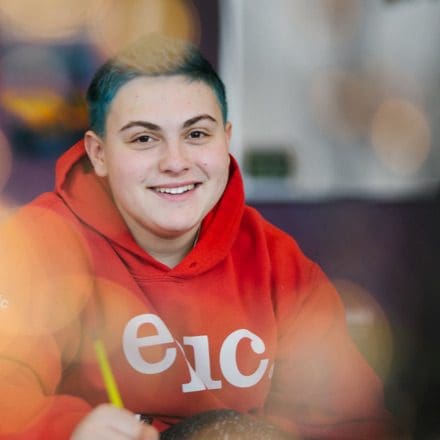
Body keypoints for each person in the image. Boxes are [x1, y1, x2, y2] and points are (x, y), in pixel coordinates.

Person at [0, 34, 396, 439]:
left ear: (226, 139)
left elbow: (354, 423)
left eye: (196, 135)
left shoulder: (278, 261)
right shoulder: (35, 245)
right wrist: (70, 431)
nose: (176, 162)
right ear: (98, 153)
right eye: (143, 139)